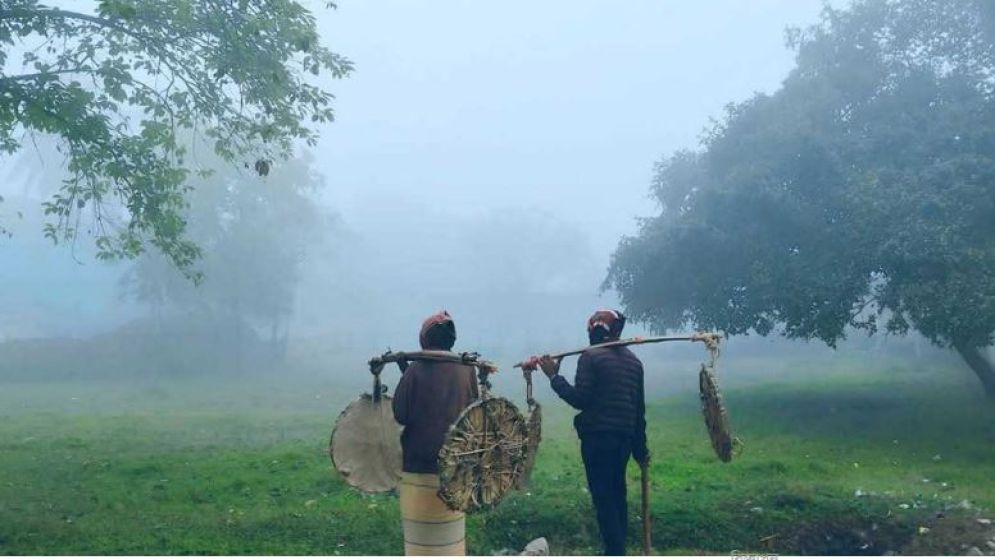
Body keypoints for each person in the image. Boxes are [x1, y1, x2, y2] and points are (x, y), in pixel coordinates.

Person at [523, 309, 649, 556]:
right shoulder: (634, 362)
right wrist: (640, 450)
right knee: (617, 493)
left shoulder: (590, 357)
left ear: (596, 330)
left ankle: (615, 552)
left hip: (598, 440)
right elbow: (638, 412)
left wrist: (553, 376)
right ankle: (618, 548)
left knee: (604, 499)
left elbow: (580, 399)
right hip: (624, 440)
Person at [392, 310, 480, 556]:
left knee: (423, 541)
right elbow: (474, 410)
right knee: (449, 539)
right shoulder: (467, 369)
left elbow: (401, 413)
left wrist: (406, 374)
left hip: (420, 466)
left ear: (425, 339)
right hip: (457, 466)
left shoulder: (416, 370)